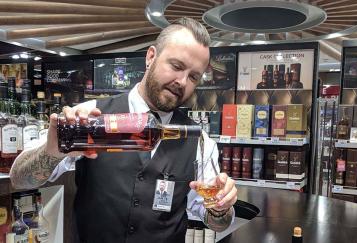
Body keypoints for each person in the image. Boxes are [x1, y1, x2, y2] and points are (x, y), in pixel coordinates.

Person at [9, 17, 238, 243]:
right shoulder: (90, 116)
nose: (182, 81)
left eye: (194, 77)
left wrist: (221, 209)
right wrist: (52, 152)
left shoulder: (199, 140)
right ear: (151, 57)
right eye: (176, 66)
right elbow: (20, 179)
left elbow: (217, 222)